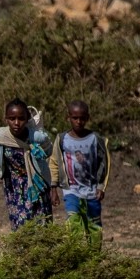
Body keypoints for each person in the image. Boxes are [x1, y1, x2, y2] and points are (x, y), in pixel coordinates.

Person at [49, 100, 109, 246]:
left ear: (87, 118)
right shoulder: (62, 139)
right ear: (68, 118)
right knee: (73, 224)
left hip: (91, 191)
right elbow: (55, 162)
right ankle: (75, 257)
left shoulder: (95, 139)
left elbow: (104, 163)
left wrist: (101, 186)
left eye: (82, 118)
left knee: (94, 228)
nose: (78, 121)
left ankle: (93, 259)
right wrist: (54, 187)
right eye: (75, 118)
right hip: (71, 190)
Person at [0, 98, 53, 230]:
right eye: (12, 119)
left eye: (21, 118)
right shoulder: (0, 137)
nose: (16, 123)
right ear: (6, 119)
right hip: (14, 186)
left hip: (36, 183)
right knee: (20, 224)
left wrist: (37, 152)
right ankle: (22, 250)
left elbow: (49, 151)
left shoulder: (36, 137)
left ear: (27, 118)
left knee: (40, 223)